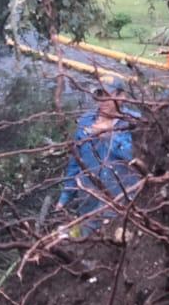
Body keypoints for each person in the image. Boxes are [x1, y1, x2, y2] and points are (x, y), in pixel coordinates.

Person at [57, 78, 137, 224]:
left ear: (121, 97)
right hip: (89, 200)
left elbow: (135, 156)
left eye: (108, 95)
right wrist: (65, 197)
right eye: (99, 95)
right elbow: (76, 161)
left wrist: (109, 135)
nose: (103, 101)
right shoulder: (85, 121)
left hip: (121, 202)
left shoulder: (135, 122)